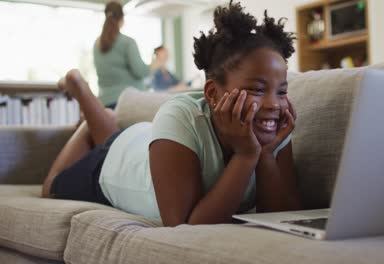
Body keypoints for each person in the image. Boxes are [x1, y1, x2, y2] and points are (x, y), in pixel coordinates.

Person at [42, 1, 302, 226]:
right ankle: (87, 112)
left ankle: (101, 121)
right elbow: (183, 227)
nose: (274, 105)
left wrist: (266, 155)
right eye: (257, 89)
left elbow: (284, 217)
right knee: (49, 188)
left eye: (281, 91)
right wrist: (247, 155)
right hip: (119, 163)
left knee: (113, 135)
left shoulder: (272, 129)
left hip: (148, 143)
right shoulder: (180, 115)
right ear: (212, 93)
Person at [93, 1, 157, 108]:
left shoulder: (97, 44)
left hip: (105, 103)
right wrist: (156, 63)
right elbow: (140, 71)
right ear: (122, 19)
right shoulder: (128, 42)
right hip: (128, 102)